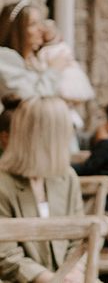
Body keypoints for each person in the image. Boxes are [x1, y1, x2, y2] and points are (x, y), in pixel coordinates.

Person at [0, 96, 86, 283]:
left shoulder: (67, 177)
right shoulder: (2, 183)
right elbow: (5, 256)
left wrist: (73, 273)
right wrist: (52, 280)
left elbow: (80, 238)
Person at [0, 1, 60, 102]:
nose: (41, 29)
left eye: (41, 22)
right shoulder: (5, 59)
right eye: (33, 24)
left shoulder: (39, 58)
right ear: (17, 30)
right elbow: (31, 100)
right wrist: (54, 70)